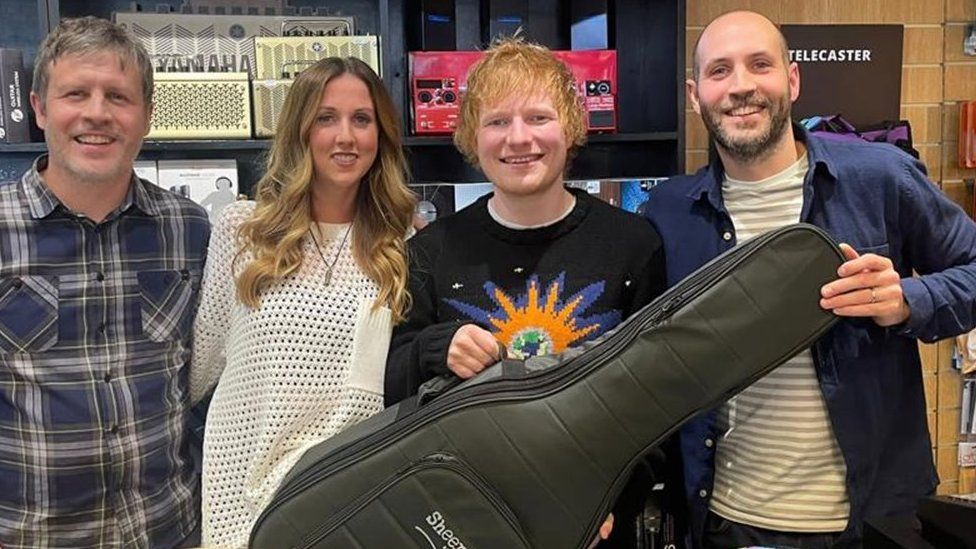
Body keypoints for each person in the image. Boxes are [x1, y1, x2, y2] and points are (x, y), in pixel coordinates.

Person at [642, 10, 976, 548]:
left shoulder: (879, 176)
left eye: (760, 65)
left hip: (869, 523)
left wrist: (910, 298)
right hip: (724, 520)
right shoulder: (668, 210)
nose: (742, 86)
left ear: (792, 80)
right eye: (720, 71)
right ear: (694, 94)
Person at [384, 37, 669, 548]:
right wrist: (434, 349)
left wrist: (612, 495)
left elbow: (657, 395)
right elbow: (388, 383)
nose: (519, 139)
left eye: (538, 117)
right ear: (473, 135)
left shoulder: (633, 243)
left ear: (572, 126)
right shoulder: (431, 251)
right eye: (497, 121)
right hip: (463, 519)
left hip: (595, 523)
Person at [189, 56, 415, 548]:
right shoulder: (243, 230)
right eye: (325, 118)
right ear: (300, 130)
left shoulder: (401, 246)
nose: (346, 137)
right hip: (243, 501)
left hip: (349, 504)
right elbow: (202, 366)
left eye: (362, 119)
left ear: (382, 135)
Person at [0, 16, 209, 548]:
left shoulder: (190, 230)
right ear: (40, 107)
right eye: (76, 93)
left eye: (119, 96)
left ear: (147, 116)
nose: (97, 113)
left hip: (168, 532)